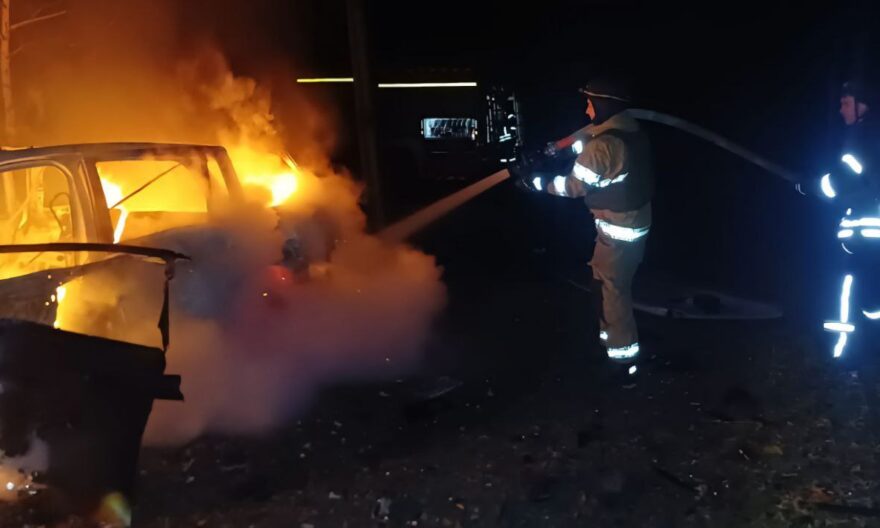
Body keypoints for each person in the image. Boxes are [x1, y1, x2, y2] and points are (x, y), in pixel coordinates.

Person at [511, 78, 654, 382]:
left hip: (617, 233)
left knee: (611, 294)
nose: (587, 109)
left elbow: (572, 186)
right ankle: (610, 346)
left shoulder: (604, 145)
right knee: (607, 288)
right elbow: (589, 144)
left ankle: (622, 364)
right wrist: (555, 151)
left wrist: (534, 182)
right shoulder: (628, 132)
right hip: (631, 225)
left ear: (604, 105)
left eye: (591, 103)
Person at [796, 78, 880, 359]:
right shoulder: (869, 135)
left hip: (865, 235)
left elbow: (844, 180)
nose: (841, 109)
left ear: (862, 105)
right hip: (868, 234)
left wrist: (812, 185)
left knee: (847, 290)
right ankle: (870, 348)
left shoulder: (865, 137)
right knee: (872, 296)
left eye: (845, 103)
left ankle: (843, 353)